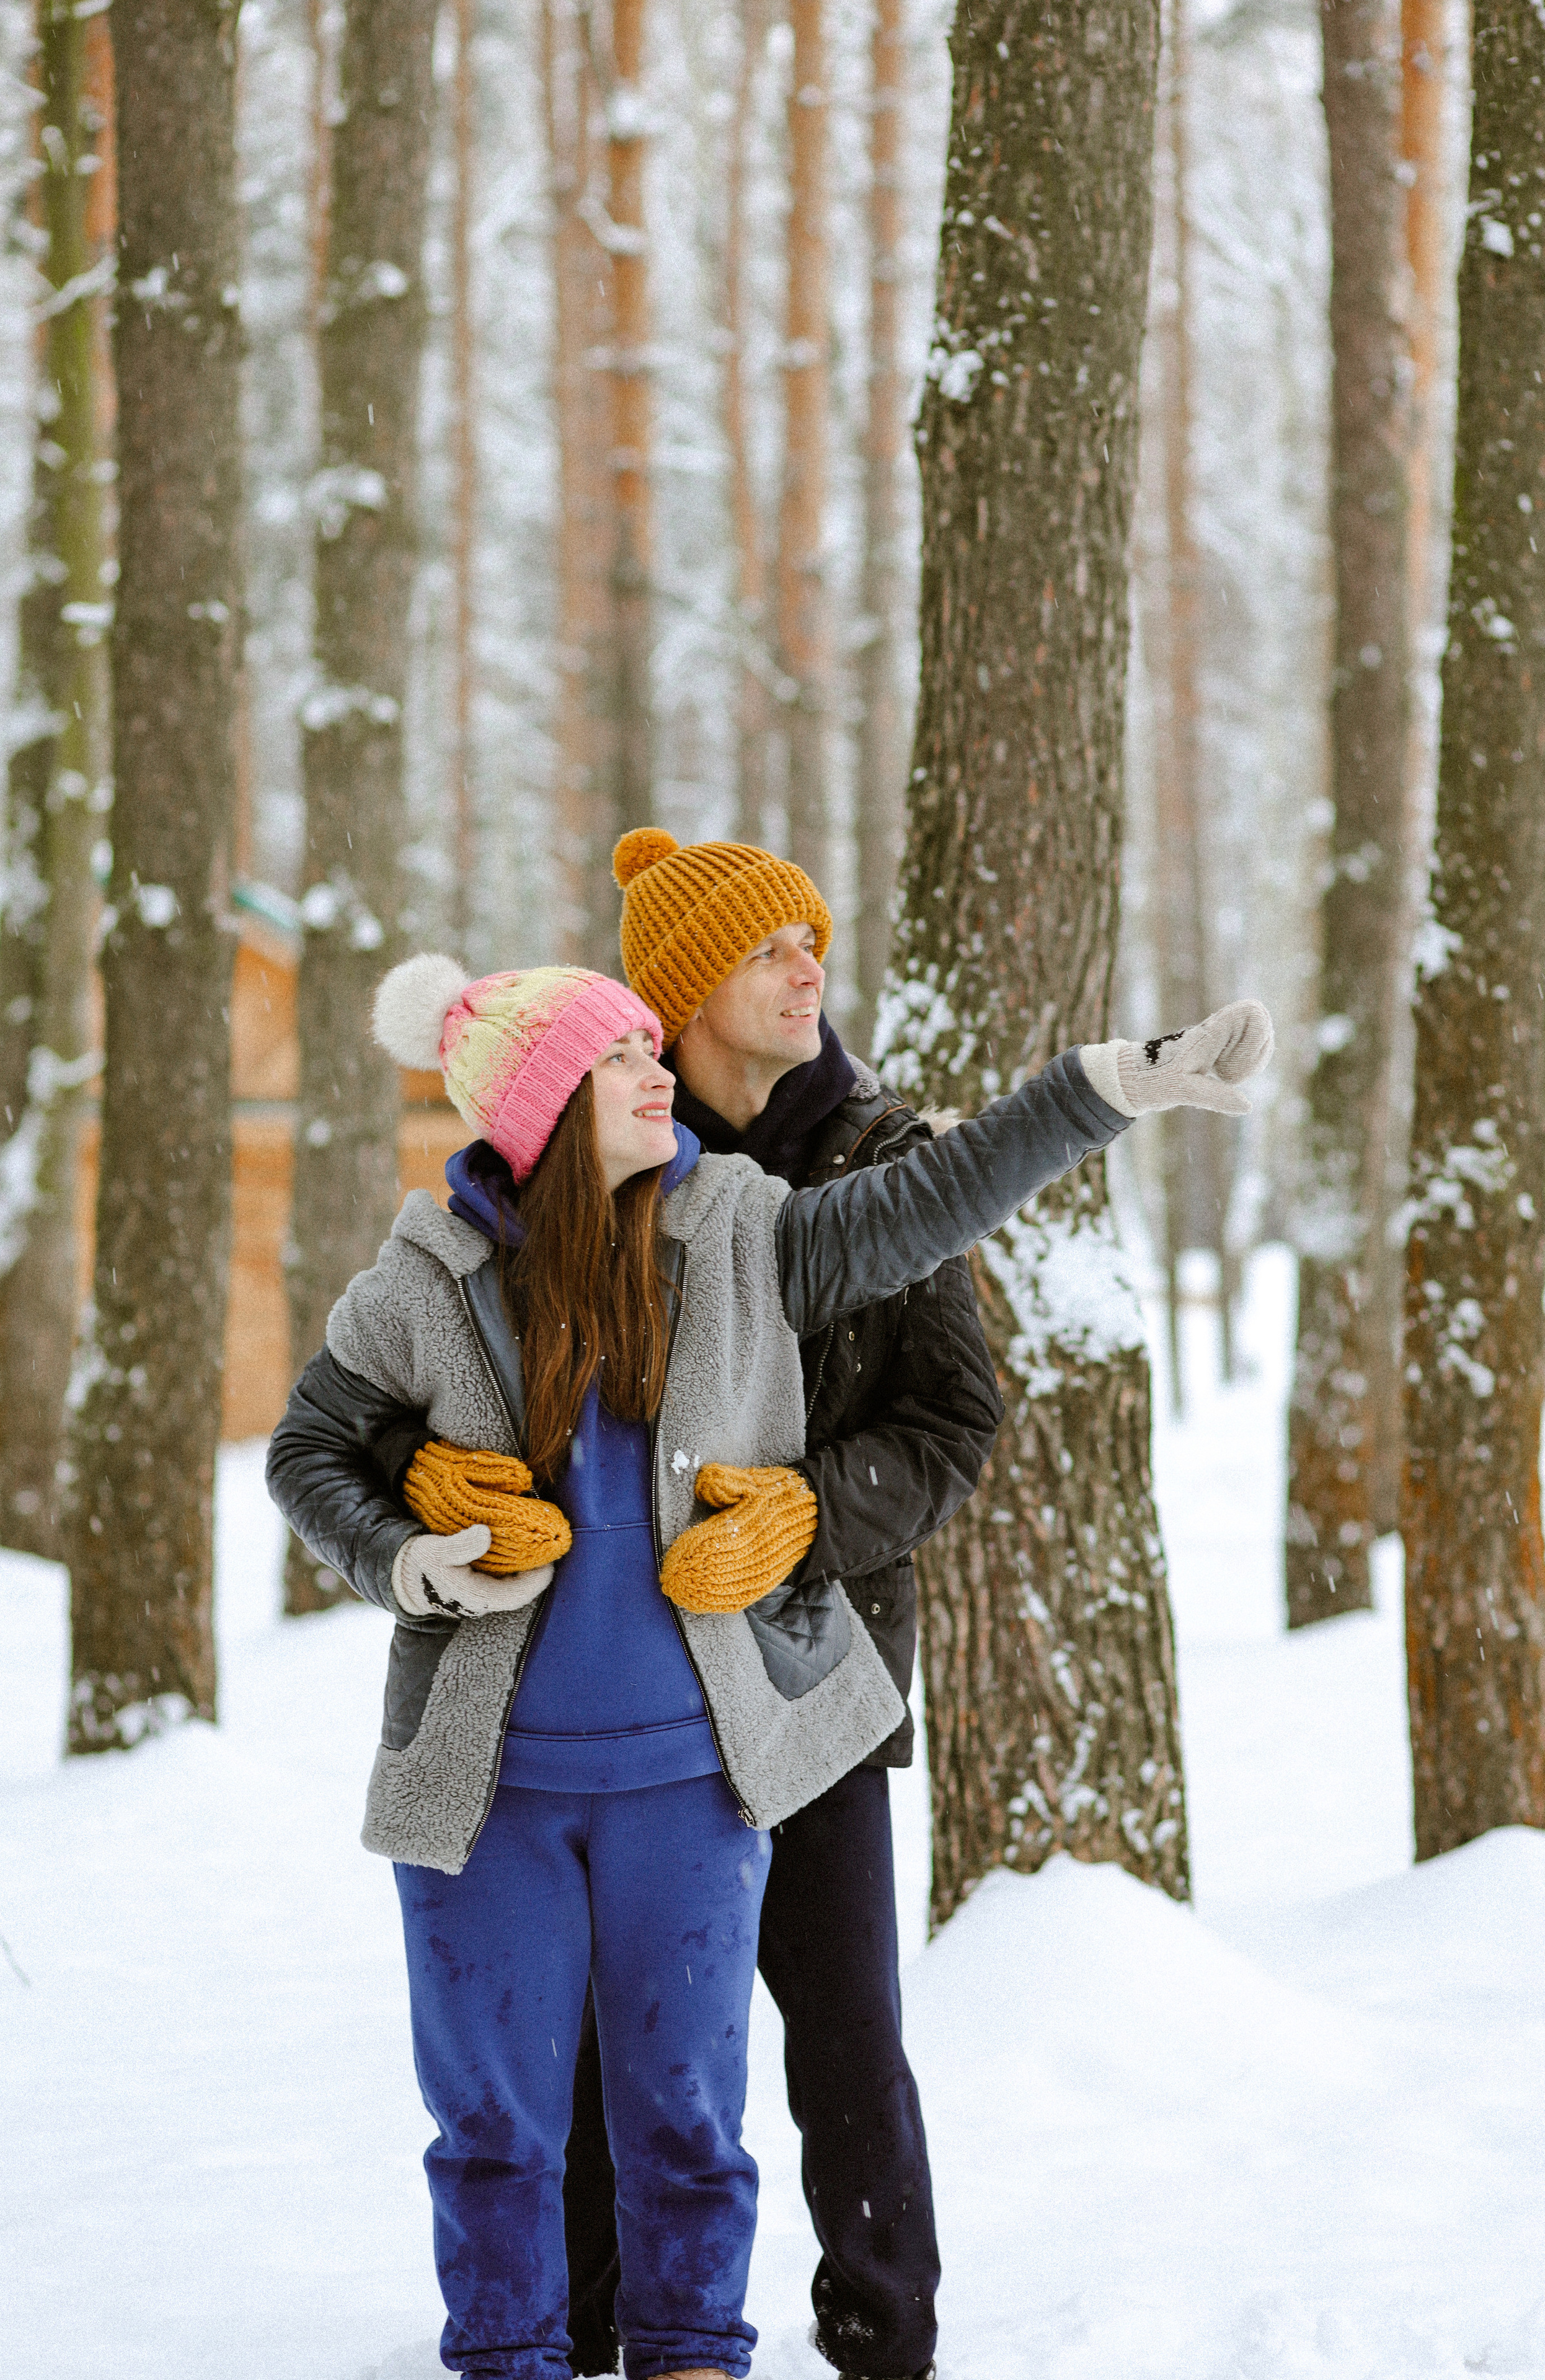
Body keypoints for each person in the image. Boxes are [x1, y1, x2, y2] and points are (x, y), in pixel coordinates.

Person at [265, 952, 1270, 2380]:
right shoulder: (425, 1278)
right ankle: (506, 2356)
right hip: (483, 1796)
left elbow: (935, 1197)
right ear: (546, 1108)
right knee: (496, 2127)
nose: (650, 1068)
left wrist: (1110, 1086)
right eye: (616, 1058)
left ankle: (690, 2354)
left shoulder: (744, 1233)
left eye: (644, 1046)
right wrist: (403, 1553)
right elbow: (308, 1450)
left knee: (686, 2117)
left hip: (691, 1776)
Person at [562, 829, 1004, 2380]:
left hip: (812, 1676)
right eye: (766, 947)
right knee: (609, 2043)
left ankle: (884, 2346)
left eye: (811, 937)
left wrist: (812, 1511)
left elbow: (954, 1424)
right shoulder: (605, 1160)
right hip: (628, 1678)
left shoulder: (890, 1164)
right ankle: (591, 2327)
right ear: (680, 992)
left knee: (843, 2042)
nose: (807, 964)